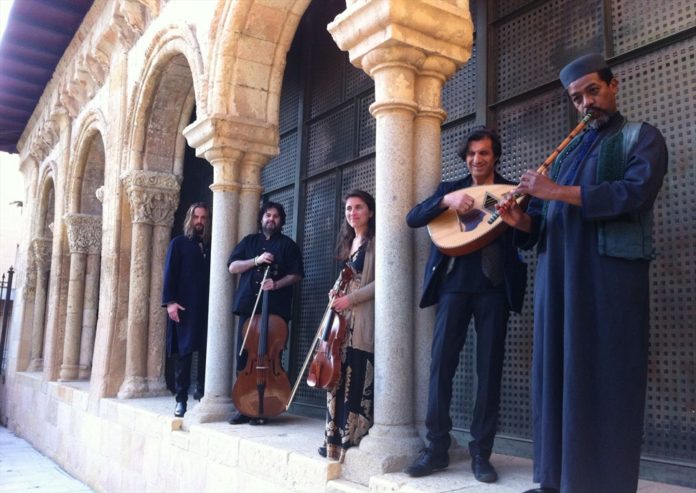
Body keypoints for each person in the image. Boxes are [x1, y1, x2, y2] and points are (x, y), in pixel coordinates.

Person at [496, 53, 668, 493]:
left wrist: (553, 190)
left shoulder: (641, 137)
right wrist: (523, 221)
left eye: (593, 90)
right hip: (557, 279)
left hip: (607, 279)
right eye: (577, 98)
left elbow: (633, 194)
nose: (586, 103)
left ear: (614, 86)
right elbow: (546, 216)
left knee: (606, 374)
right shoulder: (569, 150)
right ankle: (555, 481)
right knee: (556, 371)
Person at [405, 128, 527, 482]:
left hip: (493, 289)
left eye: (485, 153)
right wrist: (447, 202)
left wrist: (519, 219)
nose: (477, 159)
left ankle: (481, 453)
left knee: (489, 371)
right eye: (472, 154)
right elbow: (414, 218)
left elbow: (530, 237)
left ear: (495, 156)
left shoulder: (512, 192)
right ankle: (437, 448)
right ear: (466, 157)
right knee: (440, 366)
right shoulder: (450, 189)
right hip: (453, 287)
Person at [227, 201, 304, 425]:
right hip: (249, 308)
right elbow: (232, 267)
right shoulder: (249, 242)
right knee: (244, 359)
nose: (271, 219)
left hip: (276, 310)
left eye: (276, 216)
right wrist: (255, 261)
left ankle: (265, 408)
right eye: (268, 215)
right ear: (261, 218)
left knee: (271, 358)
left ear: (281, 221)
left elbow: (296, 275)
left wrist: (276, 284)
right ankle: (244, 407)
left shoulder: (288, 246)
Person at [318, 190, 376, 462]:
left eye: (359, 208)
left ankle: (351, 436)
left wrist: (349, 299)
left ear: (371, 212)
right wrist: (334, 294)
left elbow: (381, 282)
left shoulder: (376, 243)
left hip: (361, 319)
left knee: (355, 375)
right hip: (341, 322)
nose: (353, 213)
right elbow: (344, 280)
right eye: (349, 208)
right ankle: (332, 439)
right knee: (337, 376)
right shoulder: (349, 242)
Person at [162, 202, 211, 418]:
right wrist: (170, 302)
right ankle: (180, 400)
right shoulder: (178, 244)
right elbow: (169, 274)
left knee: (206, 351)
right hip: (184, 307)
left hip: (207, 307)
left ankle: (202, 393)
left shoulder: (210, 246)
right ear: (190, 219)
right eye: (196, 217)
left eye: (203, 218)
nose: (199, 221)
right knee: (184, 354)